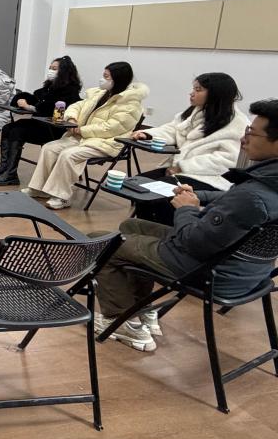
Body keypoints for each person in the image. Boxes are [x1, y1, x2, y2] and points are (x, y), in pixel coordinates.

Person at [92, 98, 278, 353]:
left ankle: (122, 322)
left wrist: (186, 209)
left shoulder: (254, 196)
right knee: (132, 226)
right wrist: (197, 196)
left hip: (213, 271)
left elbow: (194, 242)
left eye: (252, 133)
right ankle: (140, 308)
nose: (244, 139)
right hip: (250, 272)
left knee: (104, 242)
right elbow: (231, 199)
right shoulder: (266, 185)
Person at [25, 61, 148, 209]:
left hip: (107, 142)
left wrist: (82, 130)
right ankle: (39, 189)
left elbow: (111, 128)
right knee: (49, 148)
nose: (102, 79)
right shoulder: (100, 93)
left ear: (118, 79)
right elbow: (77, 105)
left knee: (68, 155)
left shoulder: (131, 104)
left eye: (106, 77)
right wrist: (71, 118)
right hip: (84, 137)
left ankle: (62, 196)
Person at [130, 73, 247, 224]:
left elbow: (227, 160)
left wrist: (183, 166)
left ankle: (167, 231)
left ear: (215, 94)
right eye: (193, 89)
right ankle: (144, 227)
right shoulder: (196, 112)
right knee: (138, 184)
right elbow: (173, 129)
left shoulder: (237, 123)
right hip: (180, 169)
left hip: (209, 177)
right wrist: (148, 134)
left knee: (158, 194)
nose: (191, 93)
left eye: (198, 90)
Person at [0, 55, 83, 186]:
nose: (50, 71)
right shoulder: (50, 86)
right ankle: (4, 166)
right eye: (50, 68)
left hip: (53, 129)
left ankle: (11, 173)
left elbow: (49, 108)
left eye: (54, 68)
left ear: (64, 72)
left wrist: (29, 107)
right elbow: (38, 99)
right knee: (8, 128)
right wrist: (23, 100)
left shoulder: (70, 91)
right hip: (40, 123)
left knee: (17, 131)